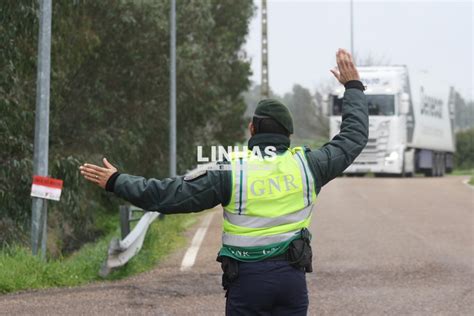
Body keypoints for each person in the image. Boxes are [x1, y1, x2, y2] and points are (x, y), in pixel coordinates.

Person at [80, 48, 368, 315]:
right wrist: (353, 88)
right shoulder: (308, 166)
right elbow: (352, 139)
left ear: (252, 128)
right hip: (291, 282)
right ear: (288, 135)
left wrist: (116, 181)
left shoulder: (231, 170)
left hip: (248, 283)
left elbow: (167, 196)